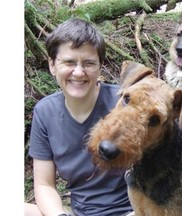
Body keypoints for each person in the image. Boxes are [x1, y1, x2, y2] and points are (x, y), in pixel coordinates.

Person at [24, 18, 134, 216]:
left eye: (88, 63)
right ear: (52, 65)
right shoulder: (45, 111)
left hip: (130, 210)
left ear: (100, 66)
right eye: (69, 62)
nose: (78, 72)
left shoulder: (124, 102)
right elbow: (44, 185)